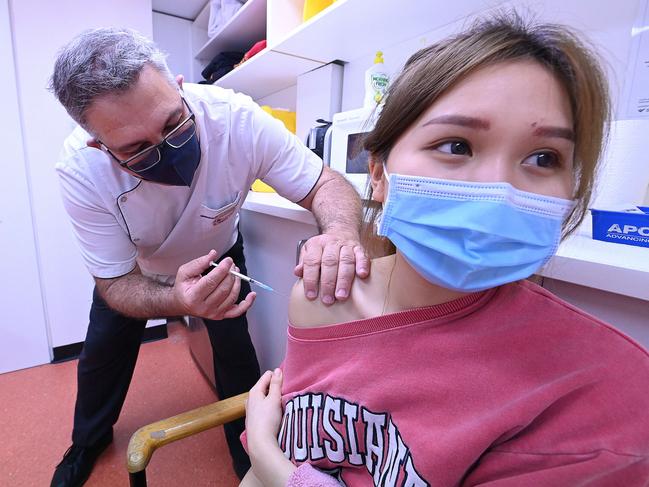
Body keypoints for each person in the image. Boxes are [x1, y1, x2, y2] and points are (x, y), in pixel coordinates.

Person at [240, 13, 649, 486]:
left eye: (544, 158)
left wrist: (272, 461)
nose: (497, 189)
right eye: (456, 145)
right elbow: (310, 434)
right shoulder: (321, 297)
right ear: (379, 174)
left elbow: (278, 457)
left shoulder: (603, 394)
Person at [48, 28, 369, 487]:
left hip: (218, 252)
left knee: (236, 350)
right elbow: (116, 284)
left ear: (178, 85)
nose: (168, 152)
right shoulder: (80, 171)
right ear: (99, 146)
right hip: (136, 273)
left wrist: (339, 231)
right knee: (101, 357)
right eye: (137, 149)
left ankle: (248, 452)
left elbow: (325, 184)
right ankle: (87, 442)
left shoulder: (235, 118)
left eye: (174, 123)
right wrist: (177, 299)